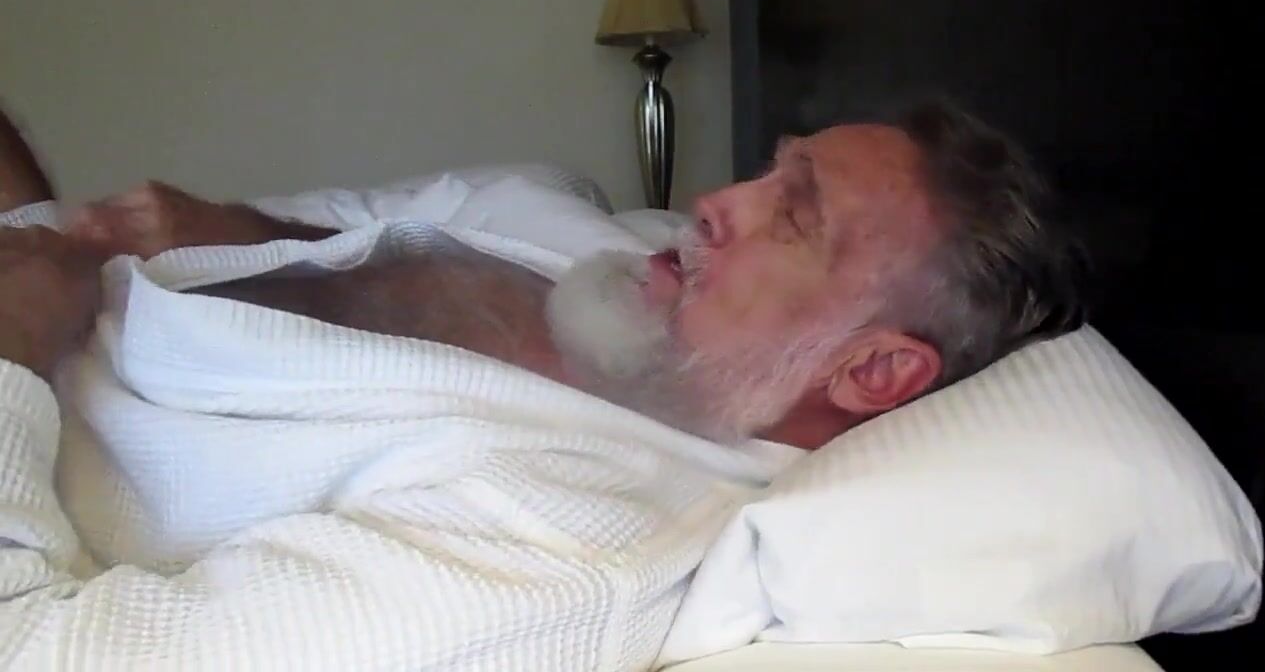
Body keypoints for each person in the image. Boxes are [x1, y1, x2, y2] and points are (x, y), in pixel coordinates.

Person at [0, 97, 1089, 668]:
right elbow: (376, 258)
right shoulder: (619, 299)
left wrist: (12, 351)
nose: (717, 201)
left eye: (791, 213)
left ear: (874, 370)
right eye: (768, 169)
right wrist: (239, 232)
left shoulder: (571, 536)